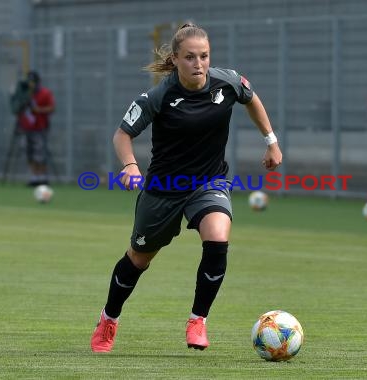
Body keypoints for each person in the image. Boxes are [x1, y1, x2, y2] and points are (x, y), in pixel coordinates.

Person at [90, 23, 283, 353]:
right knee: (138, 259)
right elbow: (122, 134)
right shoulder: (158, 96)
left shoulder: (228, 82)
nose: (199, 63)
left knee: (219, 237)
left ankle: (198, 321)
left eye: (204, 56)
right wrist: (131, 166)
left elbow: (251, 99)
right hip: (164, 189)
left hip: (209, 182)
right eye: (190, 57)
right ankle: (109, 319)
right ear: (175, 60)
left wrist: (271, 141)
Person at [14, 70, 55, 186]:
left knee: (40, 153)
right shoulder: (25, 93)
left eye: (33, 82)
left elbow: (51, 108)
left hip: (40, 127)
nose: (31, 84)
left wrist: (39, 110)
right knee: (29, 152)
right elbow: (17, 107)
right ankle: (34, 177)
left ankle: (42, 177)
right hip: (27, 127)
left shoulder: (45, 93)